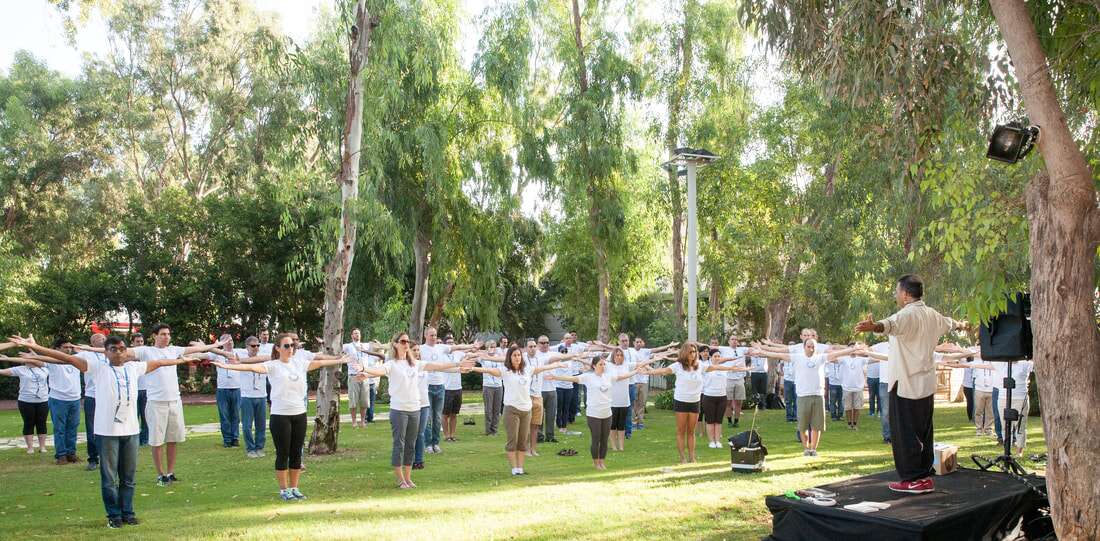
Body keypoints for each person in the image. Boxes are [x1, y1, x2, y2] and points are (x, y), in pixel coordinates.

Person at [12, 334, 199, 529]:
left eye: (122, 349)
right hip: (107, 432)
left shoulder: (134, 368)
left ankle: (128, 513)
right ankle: (114, 516)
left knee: (128, 477)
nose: (119, 353)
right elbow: (66, 358)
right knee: (109, 478)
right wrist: (35, 346)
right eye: (114, 349)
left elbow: (160, 362)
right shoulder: (98, 369)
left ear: (126, 351)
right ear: (106, 352)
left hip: (131, 432)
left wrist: (181, 360)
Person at [854, 274, 966, 494]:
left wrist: (873, 326)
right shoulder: (932, 314)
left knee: (904, 433)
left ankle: (912, 479)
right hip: (925, 384)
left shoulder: (907, 314)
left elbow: (889, 325)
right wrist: (962, 324)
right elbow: (950, 323)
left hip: (905, 383)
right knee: (924, 432)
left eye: (897, 291)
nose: (896, 295)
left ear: (905, 294)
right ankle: (923, 476)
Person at [211, 332, 354, 499]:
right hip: (280, 416)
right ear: (278, 348)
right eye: (286, 346)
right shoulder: (273, 365)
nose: (290, 348)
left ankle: (294, 488)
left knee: (296, 454)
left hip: (299, 415)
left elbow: (321, 362)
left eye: (292, 345)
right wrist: (228, 366)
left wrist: (340, 360)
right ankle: (284, 490)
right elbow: (250, 367)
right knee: (283, 453)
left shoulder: (300, 363)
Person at [354, 332, 460, 488]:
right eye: (403, 341)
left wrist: (458, 365)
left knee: (411, 444)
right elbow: (379, 371)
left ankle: (408, 478)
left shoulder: (415, 364)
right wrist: (364, 369)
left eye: (407, 341)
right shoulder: (392, 364)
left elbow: (438, 366)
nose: (406, 344)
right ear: (395, 344)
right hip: (399, 410)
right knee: (400, 444)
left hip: (415, 409)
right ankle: (400, 479)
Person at [131, 323, 228, 486]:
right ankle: (160, 474)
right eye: (162, 334)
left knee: (173, 439)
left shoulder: (173, 350)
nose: (166, 337)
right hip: (156, 402)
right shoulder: (145, 351)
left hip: (174, 401)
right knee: (156, 441)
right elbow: (122, 352)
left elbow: (195, 351)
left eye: (168, 334)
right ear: (155, 336)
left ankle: (170, 472)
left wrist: (216, 345)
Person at [465, 345, 566, 474]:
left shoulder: (527, 370)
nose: (517, 358)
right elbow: (489, 370)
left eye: (519, 355)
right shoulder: (505, 371)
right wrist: (472, 368)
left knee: (522, 441)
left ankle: (520, 468)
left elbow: (543, 368)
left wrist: (557, 365)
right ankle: (514, 469)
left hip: (526, 410)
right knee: (512, 440)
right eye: (514, 355)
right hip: (511, 410)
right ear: (510, 358)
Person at [751, 340, 861, 457]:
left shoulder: (820, 358)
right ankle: (806, 448)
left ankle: (813, 449)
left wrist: (853, 349)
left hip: (818, 395)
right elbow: (777, 354)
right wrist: (761, 351)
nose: (811, 349)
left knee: (816, 426)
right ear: (804, 347)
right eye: (808, 346)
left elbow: (837, 354)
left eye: (813, 347)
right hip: (803, 396)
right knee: (803, 426)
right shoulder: (797, 357)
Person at [644, 343, 750, 463]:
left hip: (695, 402)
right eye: (690, 352)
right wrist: (648, 371)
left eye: (694, 352)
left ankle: (692, 457)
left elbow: (717, 367)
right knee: (681, 431)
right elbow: (663, 371)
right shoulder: (678, 366)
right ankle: (682, 457)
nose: (693, 354)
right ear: (684, 353)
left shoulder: (700, 365)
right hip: (681, 401)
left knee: (691, 431)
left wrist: (735, 368)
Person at [546, 353, 639, 469]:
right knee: (596, 438)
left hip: (607, 413)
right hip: (594, 413)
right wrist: (555, 377)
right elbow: (573, 378)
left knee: (604, 440)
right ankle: (596, 462)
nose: (603, 366)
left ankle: (602, 461)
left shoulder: (608, 376)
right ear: (594, 366)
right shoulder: (588, 377)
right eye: (600, 364)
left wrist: (636, 372)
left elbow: (622, 377)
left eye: (604, 364)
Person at [418, 327, 479, 454]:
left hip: (440, 386)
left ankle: (436, 443)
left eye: (435, 335)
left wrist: (471, 345)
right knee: (429, 417)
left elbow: (456, 348)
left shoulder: (441, 348)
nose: (434, 337)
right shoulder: (421, 349)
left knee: (437, 417)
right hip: (427, 386)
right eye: (431, 335)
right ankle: (428, 444)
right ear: (425, 336)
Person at [0, 350, 50, 453]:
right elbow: (3, 371)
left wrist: (32, 349)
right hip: (26, 401)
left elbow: (42, 359)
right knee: (28, 423)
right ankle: (30, 448)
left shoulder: (44, 369)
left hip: (43, 400)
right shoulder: (20, 369)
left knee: (42, 423)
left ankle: (42, 447)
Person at [701, 345, 749, 448]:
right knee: (710, 420)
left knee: (718, 421)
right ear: (710, 357)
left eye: (719, 356)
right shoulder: (705, 366)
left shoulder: (724, 368)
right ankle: (711, 441)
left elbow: (735, 368)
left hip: (722, 396)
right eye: (715, 356)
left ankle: (717, 441)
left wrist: (746, 368)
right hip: (709, 396)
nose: (717, 358)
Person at [75, 334, 110, 471]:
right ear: (92, 342)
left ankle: (107, 458)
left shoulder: (109, 353)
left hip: (108, 396)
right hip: (92, 396)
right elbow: (65, 360)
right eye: (98, 339)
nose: (102, 340)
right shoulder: (85, 354)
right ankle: (93, 459)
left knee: (108, 428)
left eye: (103, 338)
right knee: (92, 429)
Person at [208, 333, 242, 448]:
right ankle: (227, 440)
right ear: (222, 343)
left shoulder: (239, 352)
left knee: (236, 416)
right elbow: (203, 354)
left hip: (237, 389)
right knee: (225, 416)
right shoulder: (217, 354)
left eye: (231, 340)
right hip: (222, 390)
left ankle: (235, 438)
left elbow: (255, 354)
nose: (230, 342)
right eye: (227, 341)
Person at [237, 336, 268, 458]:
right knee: (247, 425)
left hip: (261, 396)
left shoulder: (263, 358)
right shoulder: (241, 358)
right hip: (247, 396)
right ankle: (250, 448)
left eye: (258, 345)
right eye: (253, 346)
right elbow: (224, 353)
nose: (256, 348)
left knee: (261, 424)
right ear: (247, 347)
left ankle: (259, 447)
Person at [342, 328, 372, 429]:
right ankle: (354, 422)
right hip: (353, 376)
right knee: (353, 401)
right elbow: (336, 347)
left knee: (364, 401)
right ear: (351, 335)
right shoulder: (348, 346)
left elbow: (377, 347)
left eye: (358, 333)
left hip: (364, 376)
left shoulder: (365, 345)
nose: (357, 335)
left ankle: (363, 422)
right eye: (355, 333)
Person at [441, 336, 466, 442]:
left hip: (458, 388)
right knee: (445, 414)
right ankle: (446, 436)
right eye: (448, 343)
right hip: (446, 388)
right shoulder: (442, 355)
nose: (451, 344)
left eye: (452, 342)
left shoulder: (458, 354)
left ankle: (452, 435)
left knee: (454, 414)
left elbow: (468, 355)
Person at [480, 340, 504, 436]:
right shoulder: (483, 358)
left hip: (498, 385)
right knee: (488, 409)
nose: (492, 348)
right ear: (486, 348)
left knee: (497, 409)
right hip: (488, 386)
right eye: (490, 346)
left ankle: (494, 429)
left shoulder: (499, 358)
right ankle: (488, 430)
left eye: (494, 346)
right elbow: (473, 354)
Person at [131, 334, 149, 446]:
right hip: (133, 390)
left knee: (145, 416)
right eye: (138, 341)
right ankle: (134, 440)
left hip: (145, 389)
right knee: (133, 417)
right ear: (132, 343)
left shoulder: (146, 353)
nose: (140, 344)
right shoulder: (128, 354)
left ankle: (145, 439)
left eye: (142, 341)